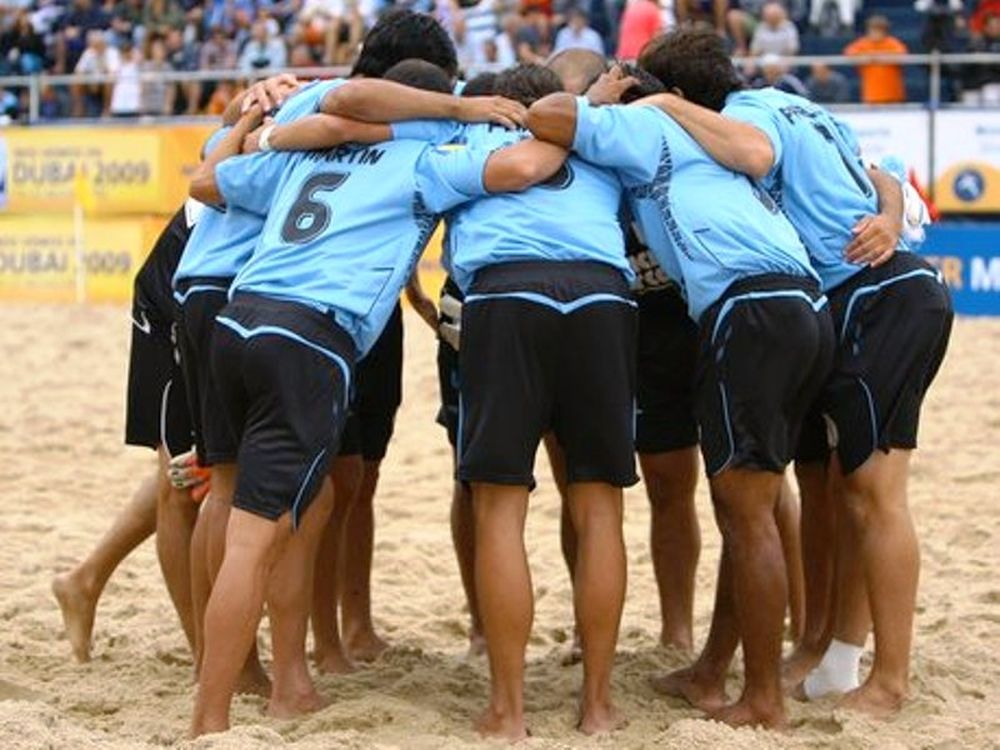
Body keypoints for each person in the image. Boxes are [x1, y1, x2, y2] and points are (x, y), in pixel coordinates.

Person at [185, 60, 553, 739]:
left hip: (236, 322)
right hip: (310, 338)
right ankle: (209, 721)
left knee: (277, 513)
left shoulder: (309, 151)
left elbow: (207, 180)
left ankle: (286, 687)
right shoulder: (427, 161)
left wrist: (260, 132)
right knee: (254, 540)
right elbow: (522, 168)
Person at [644, 26, 953, 719]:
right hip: (843, 300)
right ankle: (826, 647)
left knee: (875, 494)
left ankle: (890, 678)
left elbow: (753, 155)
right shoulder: (800, 106)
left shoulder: (745, 118)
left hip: (872, 292)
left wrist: (658, 109)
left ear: (687, 95)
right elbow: (882, 170)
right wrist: (891, 206)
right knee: (828, 485)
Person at [527, 54, 835, 729]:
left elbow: (547, 114)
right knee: (749, 500)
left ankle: (763, 699)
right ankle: (718, 668)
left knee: (747, 510)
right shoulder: (716, 140)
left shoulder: (647, 127)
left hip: (744, 308)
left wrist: (606, 99)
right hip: (803, 305)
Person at [52, 203, 206, 665]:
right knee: (184, 481)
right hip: (172, 296)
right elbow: (219, 147)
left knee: (188, 467)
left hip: (221, 280)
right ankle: (207, 656)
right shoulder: (253, 139)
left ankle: (85, 579)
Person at [844, 16, 908, 105]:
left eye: (878, 30)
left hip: (893, 95)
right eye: (872, 30)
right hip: (871, 96)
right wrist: (867, 58)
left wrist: (880, 57)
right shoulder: (863, 43)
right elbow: (849, 53)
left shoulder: (892, 43)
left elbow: (902, 54)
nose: (874, 33)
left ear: (884, 31)